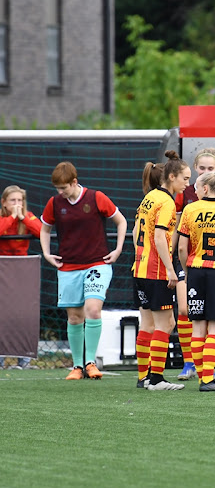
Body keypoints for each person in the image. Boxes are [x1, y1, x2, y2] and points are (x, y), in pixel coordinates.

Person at [39, 162, 127, 380]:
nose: (60, 193)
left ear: (74, 182)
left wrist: (117, 250)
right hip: (68, 267)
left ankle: (90, 363)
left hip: (97, 264)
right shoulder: (54, 203)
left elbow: (121, 221)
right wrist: (47, 254)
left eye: (64, 188)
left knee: (93, 310)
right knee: (75, 317)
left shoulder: (96, 197)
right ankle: (77, 366)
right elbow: (44, 228)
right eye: (57, 189)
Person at [173, 148, 215, 381]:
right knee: (196, 316)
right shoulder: (186, 196)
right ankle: (198, 369)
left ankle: (202, 371)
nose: (206, 172)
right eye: (202, 168)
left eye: (211, 168)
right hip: (206, 267)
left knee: (199, 319)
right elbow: (178, 238)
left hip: (197, 267)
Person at [133, 151, 191, 391]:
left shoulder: (150, 197)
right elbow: (159, 237)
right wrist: (170, 270)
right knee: (166, 324)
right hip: (156, 271)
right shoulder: (167, 201)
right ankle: (156, 379)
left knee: (147, 324)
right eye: (185, 178)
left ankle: (143, 377)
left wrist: (137, 257)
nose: (188, 184)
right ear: (172, 176)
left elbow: (137, 230)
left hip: (140, 268)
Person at [0, 185, 43, 369]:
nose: (17, 204)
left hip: (23, 270)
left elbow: (42, 232)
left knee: (24, 312)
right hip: (3, 269)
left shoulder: (28, 216)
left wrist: (23, 218)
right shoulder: (3, 217)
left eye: (20, 201)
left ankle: (24, 359)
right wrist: (12, 218)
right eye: (13, 201)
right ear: (4, 202)